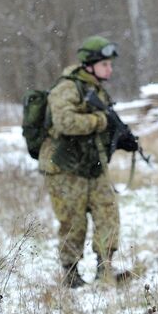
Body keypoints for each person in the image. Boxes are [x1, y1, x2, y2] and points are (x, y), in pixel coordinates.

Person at [38, 36, 136, 287]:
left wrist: (120, 138)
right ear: (89, 64)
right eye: (105, 64)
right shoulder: (67, 88)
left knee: (108, 215)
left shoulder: (98, 89)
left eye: (110, 65)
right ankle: (71, 275)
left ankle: (105, 270)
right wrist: (101, 122)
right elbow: (66, 123)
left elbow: (101, 123)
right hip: (65, 168)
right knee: (73, 221)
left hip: (93, 165)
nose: (110, 70)